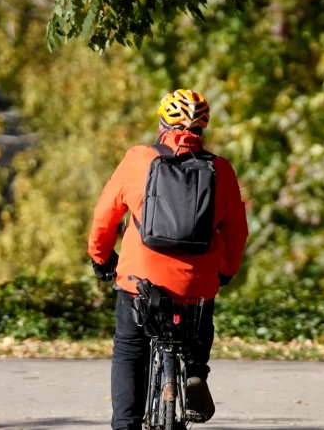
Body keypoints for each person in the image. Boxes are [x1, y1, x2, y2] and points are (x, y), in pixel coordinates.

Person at [88, 89, 249, 430]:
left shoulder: (138, 159)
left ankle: (126, 426)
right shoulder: (220, 169)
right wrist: (226, 271)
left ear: (162, 124)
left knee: (130, 351)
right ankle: (194, 370)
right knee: (201, 313)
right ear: (202, 128)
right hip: (196, 284)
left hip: (140, 282)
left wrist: (101, 259)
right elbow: (237, 231)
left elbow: (104, 218)